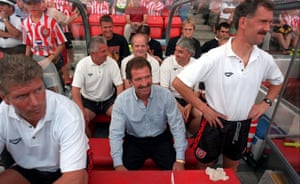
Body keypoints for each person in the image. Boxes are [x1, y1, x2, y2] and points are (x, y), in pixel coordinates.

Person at [173, 0, 284, 171]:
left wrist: (265, 103)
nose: (268, 28)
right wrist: (205, 109)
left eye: (270, 22)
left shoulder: (264, 59)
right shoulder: (215, 56)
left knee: (231, 172)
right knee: (204, 171)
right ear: (243, 22)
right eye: (263, 21)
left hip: (242, 124)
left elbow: (278, 82)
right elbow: (179, 83)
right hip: (214, 123)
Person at [0, 54, 88, 184]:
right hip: (28, 168)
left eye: (39, 90)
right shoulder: (2, 114)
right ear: (5, 98)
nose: (35, 102)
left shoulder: (67, 112)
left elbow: (74, 177)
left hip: (64, 169)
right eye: (22, 96)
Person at [109, 56, 187, 170]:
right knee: (122, 176)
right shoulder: (121, 101)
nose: (145, 83)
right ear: (130, 82)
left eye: (147, 77)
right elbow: (116, 134)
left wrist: (180, 159)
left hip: (161, 139)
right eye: (139, 79)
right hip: (134, 141)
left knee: (176, 174)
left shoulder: (165, 95)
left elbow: (177, 126)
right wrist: (118, 164)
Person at [72, 36, 124, 137]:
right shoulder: (82, 65)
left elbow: (119, 86)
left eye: (106, 50)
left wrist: (118, 105)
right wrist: (81, 110)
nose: (107, 53)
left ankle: (114, 140)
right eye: (103, 51)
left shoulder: (112, 63)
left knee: (121, 116)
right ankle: (90, 144)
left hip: (108, 100)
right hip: (89, 102)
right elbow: (75, 90)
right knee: (79, 120)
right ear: (92, 53)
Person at [160, 37, 202, 135]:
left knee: (201, 115)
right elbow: (165, 90)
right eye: (176, 50)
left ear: (189, 54)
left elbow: (196, 91)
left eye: (180, 52)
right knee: (177, 115)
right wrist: (179, 107)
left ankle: (190, 134)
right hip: (171, 98)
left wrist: (190, 105)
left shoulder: (197, 64)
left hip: (190, 98)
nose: (176, 54)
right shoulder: (167, 63)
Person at [22, 0, 66, 94]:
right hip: (36, 60)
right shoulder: (25, 23)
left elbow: (61, 43)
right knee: (40, 89)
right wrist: (26, 61)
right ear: (25, 5)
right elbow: (28, 44)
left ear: (40, 3)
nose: (33, 6)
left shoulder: (51, 22)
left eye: (35, 3)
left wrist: (49, 59)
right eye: (29, 4)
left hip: (52, 59)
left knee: (55, 89)